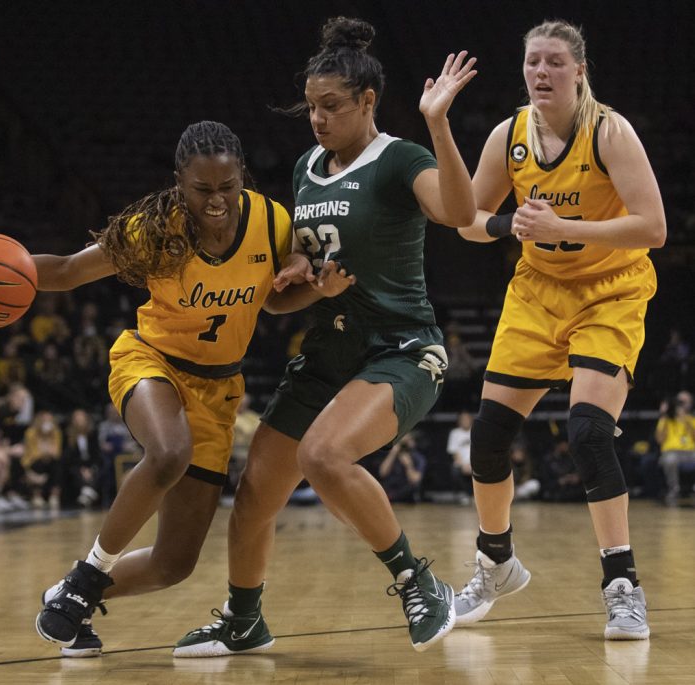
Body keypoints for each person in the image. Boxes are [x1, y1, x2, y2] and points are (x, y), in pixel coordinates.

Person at [173, 17, 477, 656]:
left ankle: (420, 583)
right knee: (254, 495)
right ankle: (244, 620)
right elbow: (288, 299)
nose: (316, 119)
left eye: (330, 107)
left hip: (400, 349)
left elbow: (459, 212)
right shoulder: (307, 168)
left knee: (324, 456)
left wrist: (439, 123)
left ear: (368, 102)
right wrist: (299, 282)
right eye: (310, 107)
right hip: (328, 351)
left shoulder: (401, 159)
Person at [25, 121, 341, 658]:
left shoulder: (271, 220)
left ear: (242, 177)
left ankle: (68, 598)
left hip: (219, 389)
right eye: (202, 190)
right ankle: (88, 573)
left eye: (227, 187)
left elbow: (273, 300)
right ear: (179, 182)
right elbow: (65, 271)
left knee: (173, 565)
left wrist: (314, 289)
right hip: (152, 362)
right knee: (169, 453)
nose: (217, 201)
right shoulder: (155, 229)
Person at [451, 20, 665, 640]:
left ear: (579, 71)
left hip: (611, 290)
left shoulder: (609, 131)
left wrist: (565, 232)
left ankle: (622, 585)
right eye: (531, 63)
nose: (540, 73)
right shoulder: (508, 136)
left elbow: (653, 228)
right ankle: (495, 563)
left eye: (553, 63)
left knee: (589, 433)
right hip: (538, 293)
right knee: (489, 436)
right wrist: (507, 228)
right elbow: (467, 216)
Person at [655, 391, 695, 507]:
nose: (681, 405)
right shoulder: (666, 420)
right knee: (670, 460)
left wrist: (686, 420)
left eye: (684, 402)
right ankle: (674, 489)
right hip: (671, 452)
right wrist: (663, 415)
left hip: (691, 452)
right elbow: (659, 440)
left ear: (691, 403)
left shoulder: (693, 419)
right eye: (679, 402)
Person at [379, 432, 426, 504]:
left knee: (409, 489)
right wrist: (393, 453)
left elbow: (415, 480)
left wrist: (408, 465)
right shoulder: (392, 456)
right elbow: (382, 473)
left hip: (406, 494)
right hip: (390, 489)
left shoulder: (417, 458)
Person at [448, 411, 474, 504]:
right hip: (461, 464)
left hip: (475, 463)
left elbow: (480, 451)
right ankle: (465, 495)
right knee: (455, 471)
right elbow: (454, 452)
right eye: (463, 419)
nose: (465, 421)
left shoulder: (476, 431)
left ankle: (477, 497)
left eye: (467, 419)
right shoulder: (455, 433)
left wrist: (472, 465)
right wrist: (463, 465)